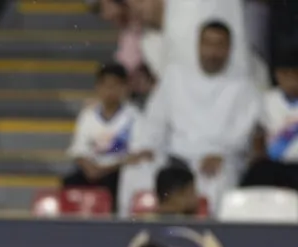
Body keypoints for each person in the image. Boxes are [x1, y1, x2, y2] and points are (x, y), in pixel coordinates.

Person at [122, 20, 260, 214]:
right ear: (198, 45)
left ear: (229, 49)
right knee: (135, 171)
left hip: (215, 158)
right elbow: (155, 120)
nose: (212, 51)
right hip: (172, 156)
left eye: (219, 45)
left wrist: (222, 154)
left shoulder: (243, 85)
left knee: (216, 180)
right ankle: (130, 230)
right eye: (207, 43)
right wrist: (146, 146)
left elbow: (242, 134)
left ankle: (210, 233)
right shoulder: (174, 76)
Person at [63, 63, 139, 211]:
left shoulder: (134, 117)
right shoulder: (87, 115)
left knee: (118, 183)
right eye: (106, 86)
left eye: (115, 86)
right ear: (98, 87)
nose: (110, 91)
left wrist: (103, 170)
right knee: (70, 182)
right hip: (91, 170)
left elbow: (134, 155)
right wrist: (91, 170)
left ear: (125, 88)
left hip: (117, 172)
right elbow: (78, 150)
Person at [242, 47, 298, 191]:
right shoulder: (268, 99)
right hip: (274, 165)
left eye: (295, 74)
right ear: (277, 75)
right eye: (285, 74)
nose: (291, 80)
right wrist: (258, 154)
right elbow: (259, 131)